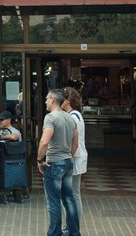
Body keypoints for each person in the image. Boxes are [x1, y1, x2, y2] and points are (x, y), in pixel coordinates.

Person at [37, 89, 79, 236]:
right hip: (67, 162)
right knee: (69, 199)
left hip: (54, 163)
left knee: (53, 202)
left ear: (53, 99)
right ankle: (74, 232)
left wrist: (40, 160)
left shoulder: (50, 117)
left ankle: (54, 233)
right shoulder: (70, 118)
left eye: (47, 98)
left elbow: (44, 141)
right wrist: (69, 156)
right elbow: (75, 143)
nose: (45, 101)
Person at [62, 86, 88, 210]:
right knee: (74, 193)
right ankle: (73, 225)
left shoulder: (72, 117)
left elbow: (74, 141)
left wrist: (67, 158)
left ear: (68, 100)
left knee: (72, 194)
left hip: (74, 158)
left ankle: (73, 226)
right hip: (75, 157)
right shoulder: (74, 115)